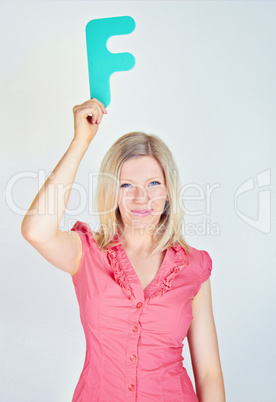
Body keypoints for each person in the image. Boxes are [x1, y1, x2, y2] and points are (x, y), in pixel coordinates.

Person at [21, 98, 226, 401]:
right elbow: (36, 231)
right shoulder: (87, 253)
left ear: (169, 191)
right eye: (126, 185)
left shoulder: (194, 266)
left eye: (154, 183)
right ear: (111, 191)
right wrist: (81, 142)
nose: (141, 199)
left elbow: (208, 372)